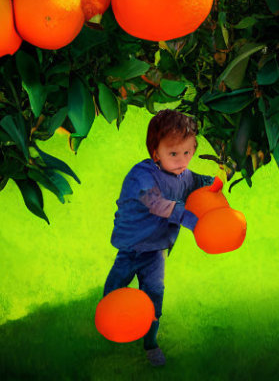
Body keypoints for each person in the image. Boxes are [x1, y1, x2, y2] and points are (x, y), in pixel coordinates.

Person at [103, 109, 214, 367]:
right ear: (156, 153)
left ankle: (151, 344)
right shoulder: (141, 176)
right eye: (173, 153)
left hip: (154, 251)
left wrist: (213, 185)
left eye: (188, 152)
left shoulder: (183, 174)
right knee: (116, 288)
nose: (182, 160)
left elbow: (197, 181)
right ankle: (110, 317)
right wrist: (191, 221)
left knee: (155, 295)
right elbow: (156, 203)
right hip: (132, 246)